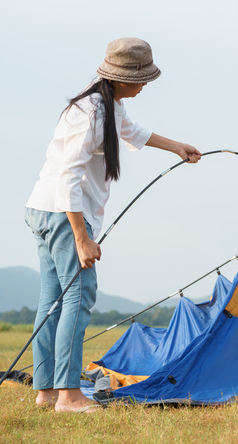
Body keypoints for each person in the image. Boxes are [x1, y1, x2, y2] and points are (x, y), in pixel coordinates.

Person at [25, 37, 201, 412]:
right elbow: (69, 177)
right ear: (122, 77)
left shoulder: (108, 105)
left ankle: (47, 392)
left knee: (52, 298)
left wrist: (178, 147)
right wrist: (81, 237)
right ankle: (70, 396)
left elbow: (134, 133)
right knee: (78, 295)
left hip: (44, 209)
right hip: (63, 213)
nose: (145, 85)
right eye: (141, 78)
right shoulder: (92, 113)